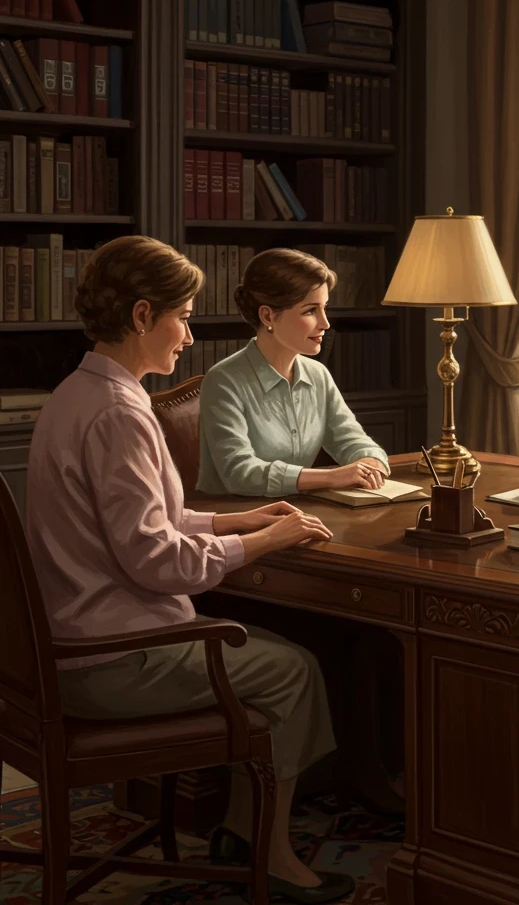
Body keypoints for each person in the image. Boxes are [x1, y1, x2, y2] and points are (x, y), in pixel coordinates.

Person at [25, 235, 353, 904]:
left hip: (63, 650)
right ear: (143, 316)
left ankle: (236, 830)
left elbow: (148, 520)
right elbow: (157, 560)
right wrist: (266, 542)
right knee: (295, 670)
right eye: (183, 316)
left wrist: (237, 522)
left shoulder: (74, 394)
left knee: (277, 650)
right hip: (112, 662)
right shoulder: (122, 414)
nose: (190, 335)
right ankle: (271, 853)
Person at [196, 247, 390, 498]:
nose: (325, 323)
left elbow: (350, 439)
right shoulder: (223, 381)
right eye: (310, 311)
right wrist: (332, 477)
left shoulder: (318, 375)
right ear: (268, 316)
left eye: (325, 308)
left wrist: (370, 461)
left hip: (298, 510)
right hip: (233, 513)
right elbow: (240, 473)